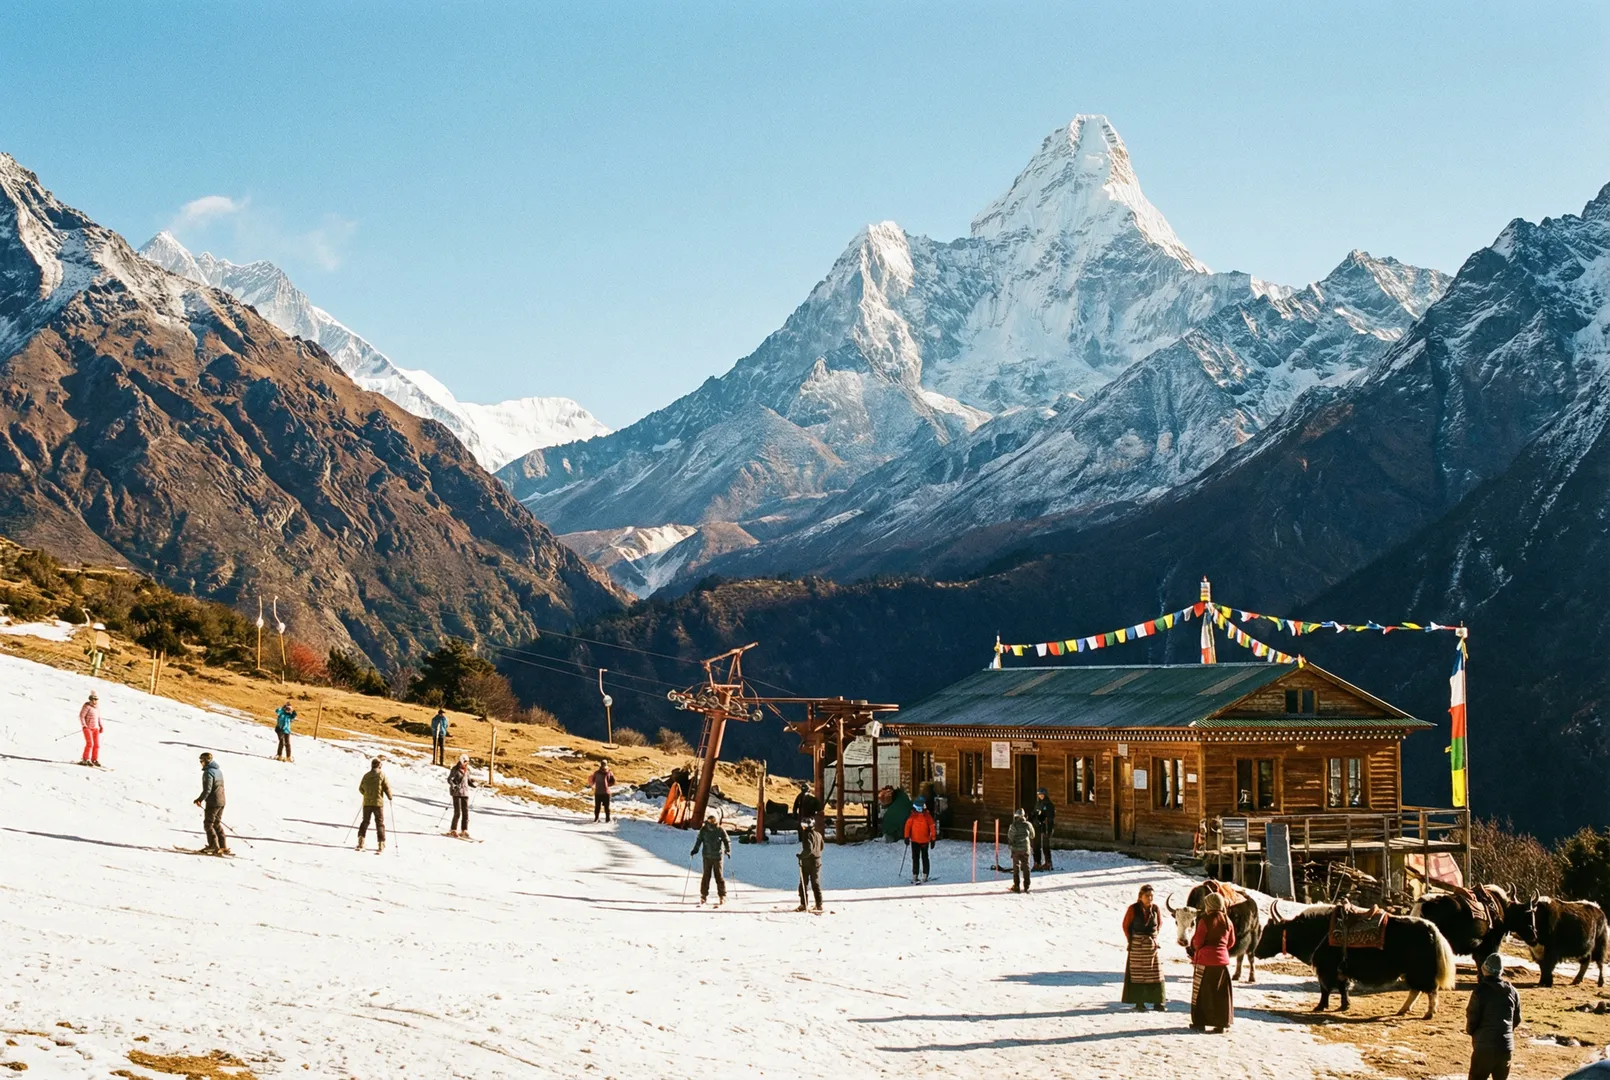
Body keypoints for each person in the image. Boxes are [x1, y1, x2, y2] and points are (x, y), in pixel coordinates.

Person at [1466, 952, 1521, 1080]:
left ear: (1484, 970)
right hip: (1506, 1047)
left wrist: (1473, 1033)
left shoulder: (1480, 991)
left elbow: (1472, 1019)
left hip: (1484, 1047)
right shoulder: (1512, 991)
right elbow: (1517, 1019)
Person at [1187, 891, 1236, 1032]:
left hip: (1206, 961)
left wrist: (1196, 948)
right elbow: (1231, 942)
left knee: (1202, 993)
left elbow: (1198, 941)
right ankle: (1221, 1023)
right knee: (1220, 994)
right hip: (1222, 963)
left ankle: (1200, 1022)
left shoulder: (1205, 920)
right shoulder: (1227, 920)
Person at [1121, 884, 1167, 1011]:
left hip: (1151, 946)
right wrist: (1132, 940)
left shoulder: (1155, 909)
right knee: (1139, 974)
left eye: (1152, 896)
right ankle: (1139, 1002)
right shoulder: (1133, 909)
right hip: (1137, 946)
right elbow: (1126, 925)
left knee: (1156, 973)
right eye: (1147, 896)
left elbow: (1159, 924)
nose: (1150, 898)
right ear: (1140, 896)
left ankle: (1158, 1002)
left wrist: (1153, 938)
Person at [690, 813, 730, 905]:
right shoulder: (704, 830)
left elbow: (726, 840)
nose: (711, 825)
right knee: (706, 876)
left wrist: (728, 850)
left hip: (717, 857)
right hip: (707, 857)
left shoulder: (720, 829)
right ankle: (703, 896)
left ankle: (722, 895)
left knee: (718, 877)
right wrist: (695, 850)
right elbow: (699, 841)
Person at [193, 752, 229, 855]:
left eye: (201, 761)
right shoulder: (218, 771)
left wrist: (200, 799)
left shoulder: (208, 773)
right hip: (222, 801)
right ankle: (222, 846)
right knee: (216, 824)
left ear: (206, 761)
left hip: (213, 802)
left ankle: (213, 846)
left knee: (208, 824)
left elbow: (207, 789)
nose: (201, 763)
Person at [357, 758, 391, 852]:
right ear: (379, 765)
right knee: (379, 823)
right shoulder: (382, 775)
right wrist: (390, 797)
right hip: (378, 803)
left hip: (367, 803)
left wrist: (367, 795)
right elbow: (386, 787)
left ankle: (361, 841)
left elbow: (361, 788)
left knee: (365, 821)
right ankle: (381, 844)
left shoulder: (366, 776)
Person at [903, 797, 938, 883]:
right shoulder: (927, 816)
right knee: (924, 858)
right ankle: (924, 875)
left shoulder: (913, 816)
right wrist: (933, 839)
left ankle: (915, 875)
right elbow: (932, 827)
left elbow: (907, 827)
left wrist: (906, 837)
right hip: (924, 841)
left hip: (916, 841)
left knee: (915, 858)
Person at [796, 814, 824, 913]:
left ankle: (804, 904)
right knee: (815, 883)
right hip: (817, 861)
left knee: (803, 883)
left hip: (808, 862)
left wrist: (801, 856)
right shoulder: (818, 834)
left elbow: (808, 849)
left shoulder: (806, 835)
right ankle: (819, 904)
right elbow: (821, 847)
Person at [1007, 808, 1036, 893]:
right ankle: (1026, 886)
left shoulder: (1013, 825)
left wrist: (1011, 844)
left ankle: (1016, 886)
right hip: (1025, 848)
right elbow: (1032, 835)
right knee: (1026, 866)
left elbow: (1010, 837)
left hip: (1016, 849)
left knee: (1016, 867)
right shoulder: (1028, 824)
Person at [447, 753, 475, 838]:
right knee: (457, 812)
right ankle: (453, 830)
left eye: (467, 761)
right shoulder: (455, 769)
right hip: (457, 793)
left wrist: (474, 784)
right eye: (465, 761)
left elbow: (468, 781)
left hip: (465, 793)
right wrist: (454, 785)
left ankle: (464, 830)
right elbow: (449, 779)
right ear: (462, 761)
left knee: (465, 812)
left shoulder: (467, 770)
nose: (467, 763)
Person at [1032, 787, 1056, 870]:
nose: (1040, 796)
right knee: (1036, 845)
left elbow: (1050, 817)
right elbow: (1034, 812)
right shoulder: (1038, 803)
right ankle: (1037, 863)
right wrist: (1033, 818)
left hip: (1045, 827)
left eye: (1042, 795)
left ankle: (1048, 863)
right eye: (1039, 795)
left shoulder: (1048, 804)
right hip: (1037, 827)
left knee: (1045, 845)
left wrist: (1041, 819)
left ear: (1045, 795)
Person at [78, 691, 102, 766]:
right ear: (90, 700)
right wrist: (84, 725)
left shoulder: (97, 708)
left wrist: (101, 726)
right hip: (88, 728)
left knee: (97, 745)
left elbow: (98, 717)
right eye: (92, 700)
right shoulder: (87, 706)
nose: (94, 701)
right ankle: (85, 759)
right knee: (90, 744)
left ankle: (94, 759)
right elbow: (81, 716)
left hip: (95, 728)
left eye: (95, 700)